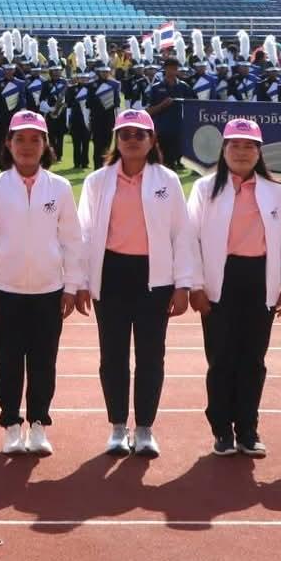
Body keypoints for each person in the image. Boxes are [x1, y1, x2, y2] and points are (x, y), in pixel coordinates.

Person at [77, 108, 194, 458]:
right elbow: (83, 234)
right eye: (125, 134)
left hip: (154, 278)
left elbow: (181, 235)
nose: (131, 140)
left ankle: (144, 428)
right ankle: (117, 427)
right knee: (112, 355)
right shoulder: (97, 181)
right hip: (110, 274)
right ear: (116, 139)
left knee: (151, 356)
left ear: (151, 139)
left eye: (139, 134)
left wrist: (183, 284)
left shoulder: (168, 181)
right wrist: (81, 281)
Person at [0, 111, 85, 457]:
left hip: (48, 291)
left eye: (35, 139)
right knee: (7, 362)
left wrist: (71, 286)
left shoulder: (59, 187)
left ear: (45, 144)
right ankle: (11, 424)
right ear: (8, 144)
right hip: (5, 291)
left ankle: (38, 424)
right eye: (19, 139)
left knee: (43, 362)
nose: (26, 146)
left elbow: (72, 240)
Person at [187, 118, 281, 457]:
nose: (242, 152)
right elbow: (191, 240)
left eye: (249, 146)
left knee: (253, 359)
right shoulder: (205, 189)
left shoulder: (275, 191)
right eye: (235, 145)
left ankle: (248, 429)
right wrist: (195, 284)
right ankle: (222, 429)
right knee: (221, 358)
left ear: (259, 152)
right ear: (224, 150)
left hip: (261, 278)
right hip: (219, 280)